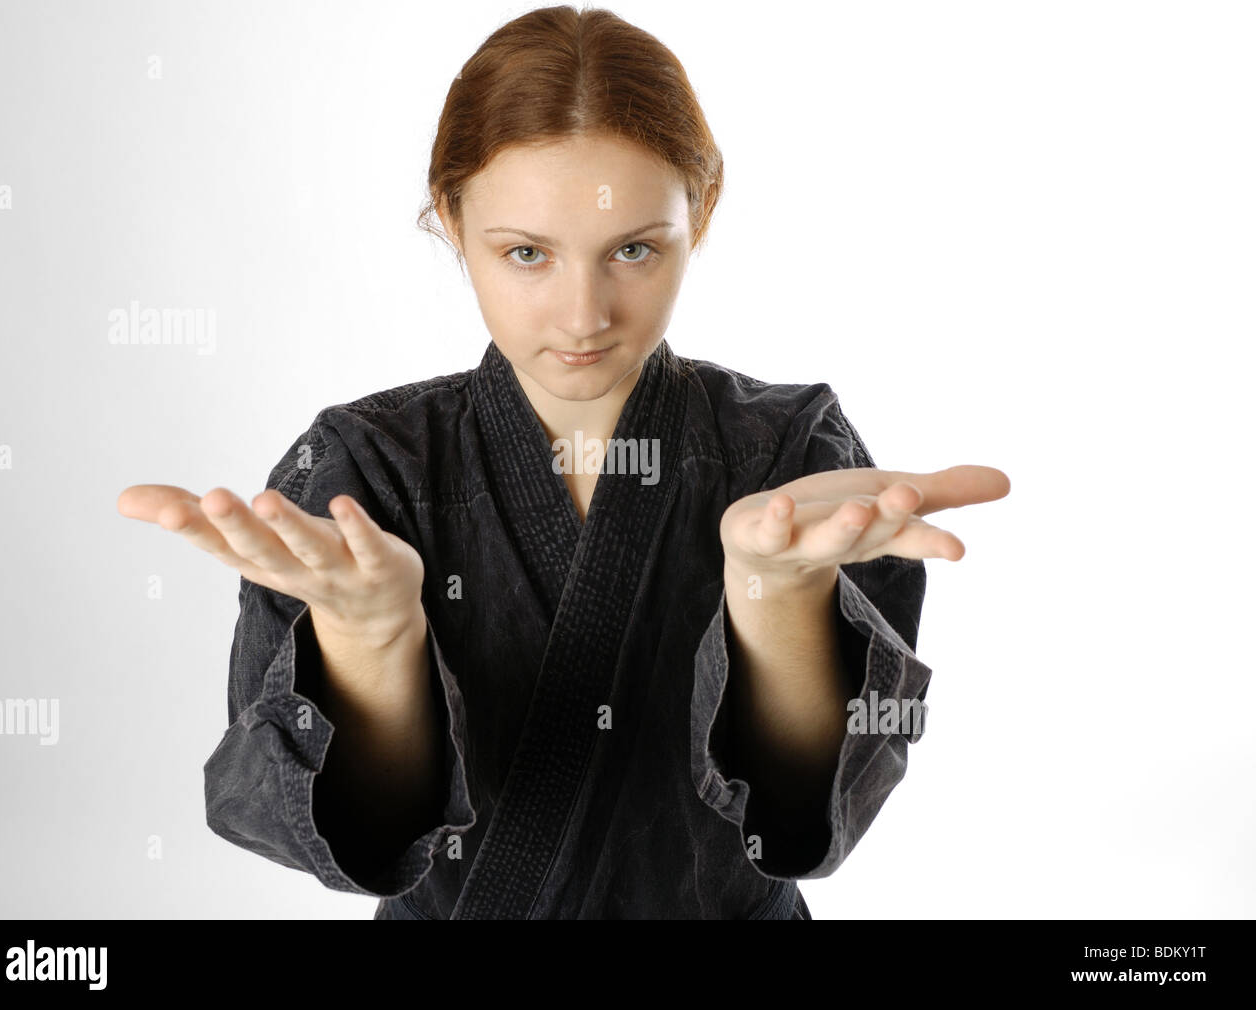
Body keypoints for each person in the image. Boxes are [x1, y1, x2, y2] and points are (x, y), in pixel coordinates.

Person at [117, 4, 1009, 919]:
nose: (584, 315)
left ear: (700, 212)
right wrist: (370, 639)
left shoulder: (791, 457)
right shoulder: (366, 467)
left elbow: (799, 828)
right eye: (526, 254)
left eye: (632, 250)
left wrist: (775, 599)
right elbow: (354, 845)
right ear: (451, 217)